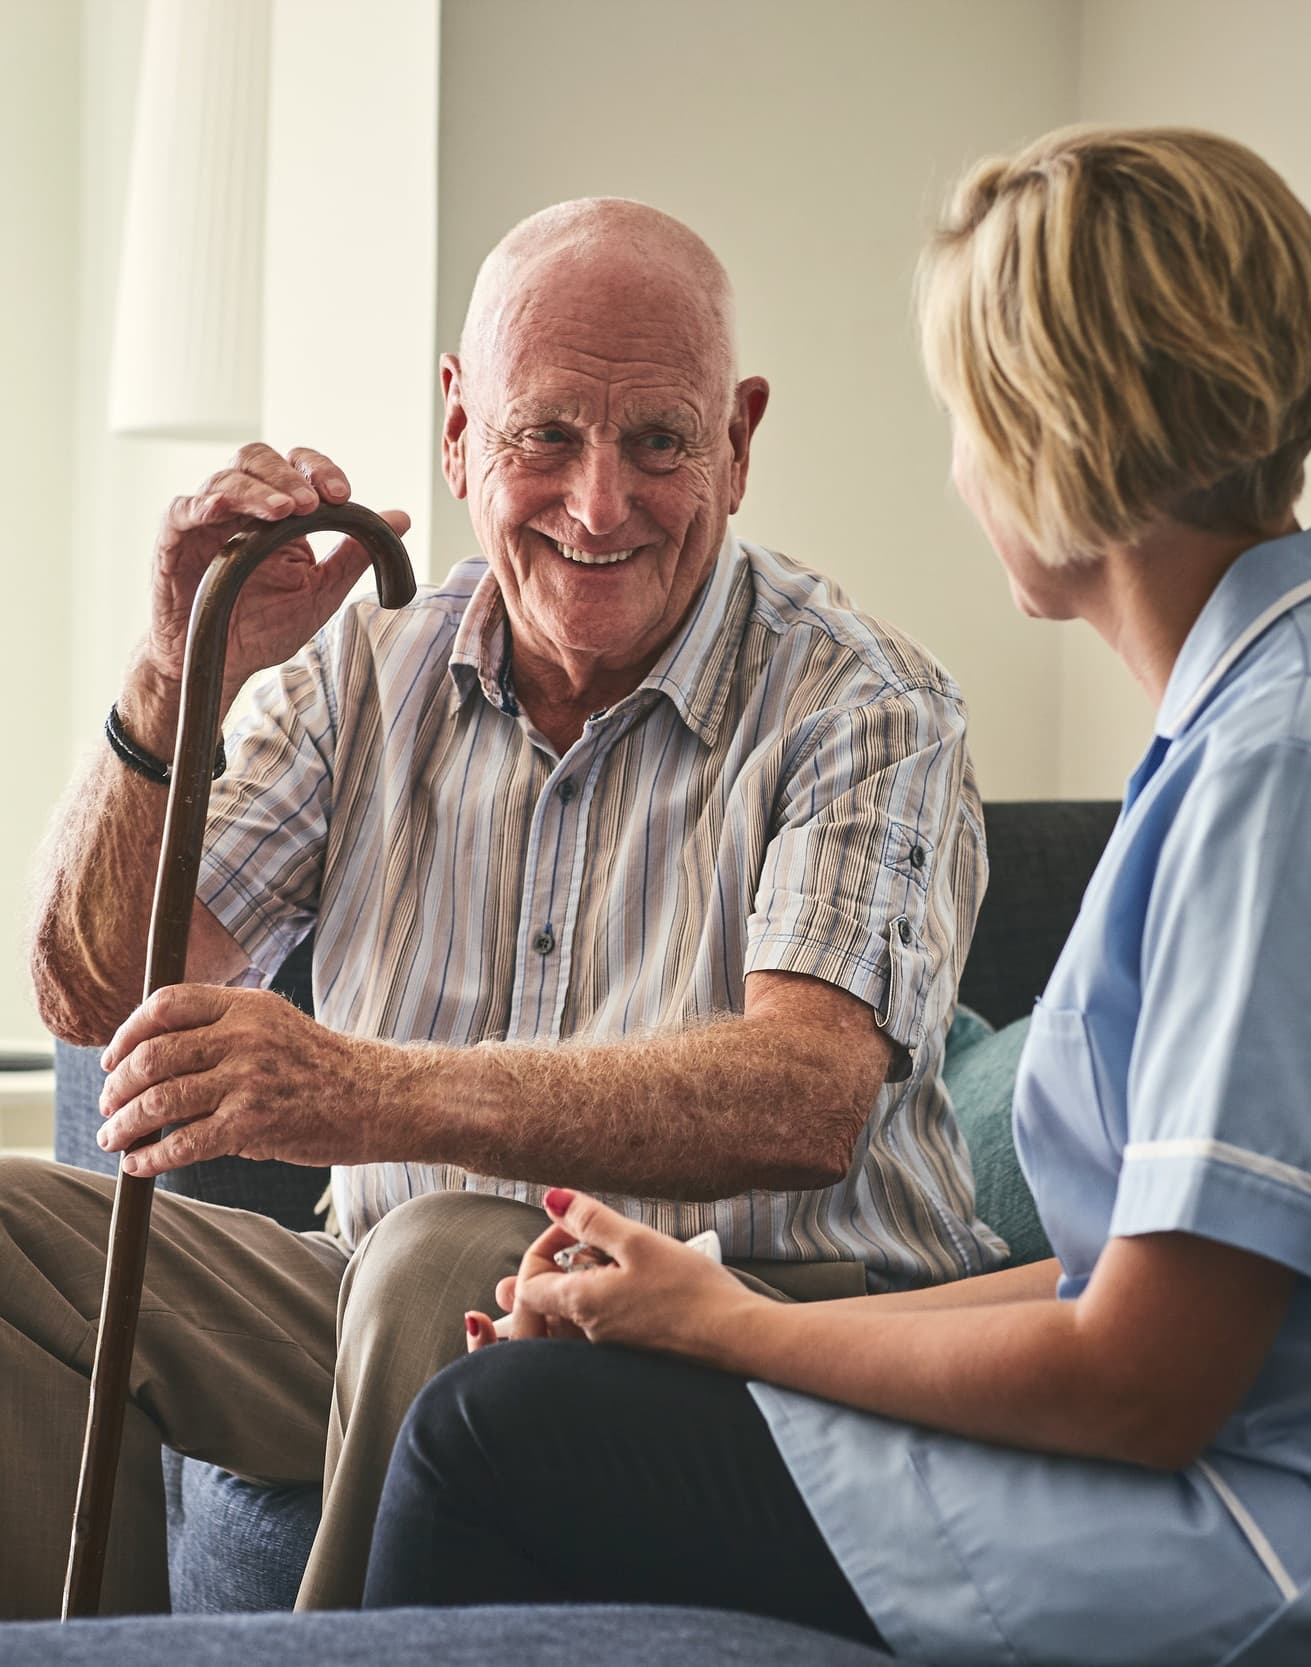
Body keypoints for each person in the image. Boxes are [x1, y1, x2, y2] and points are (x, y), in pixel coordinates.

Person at [360, 129, 1311, 1666]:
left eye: (961, 412)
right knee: (547, 1393)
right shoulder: (1243, 725)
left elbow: (1147, 1383)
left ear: (1041, 429)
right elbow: (1107, 1289)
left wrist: (741, 1331)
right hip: (1199, 1460)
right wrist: (689, 1309)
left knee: (498, 1439)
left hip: (1233, 1529)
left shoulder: (1276, 767)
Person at [5, 199, 996, 1618]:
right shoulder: (368, 671)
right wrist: (177, 669)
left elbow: (803, 1096)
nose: (601, 505)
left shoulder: (866, 704)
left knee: (435, 1252)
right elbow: (94, 997)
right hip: (374, 1299)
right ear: (460, 428)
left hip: (763, 1330)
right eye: (546, 436)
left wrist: (369, 1093)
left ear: (738, 438)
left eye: (659, 440)